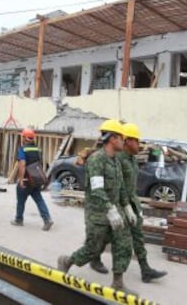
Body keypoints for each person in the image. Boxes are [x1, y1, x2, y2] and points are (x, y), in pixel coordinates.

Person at [57, 119, 138, 293]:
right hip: (98, 214)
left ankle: (118, 283)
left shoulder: (115, 160)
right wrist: (109, 209)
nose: (124, 142)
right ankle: (67, 261)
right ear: (113, 139)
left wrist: (126, 207)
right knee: (93, 249)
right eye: (121, 138)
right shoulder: (96, 160)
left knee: (123, 243)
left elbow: (121, 186)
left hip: (116, 211)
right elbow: (97, 189)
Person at [91, 123, 168, 282]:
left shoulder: (132, 159)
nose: (139, 145)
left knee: (138, 237)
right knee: (107, 237)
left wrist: (133, 206)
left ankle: (145, 270)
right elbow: (114, 186)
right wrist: (118, 208)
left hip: (130, 204)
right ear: (128, 141)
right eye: (137, 141)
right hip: (117, 205)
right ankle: (93, 258)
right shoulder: (117, 159)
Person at [11, 128, 54, 231]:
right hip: (35, 179)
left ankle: (18, 219)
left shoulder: (23, 149)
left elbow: (22, 164)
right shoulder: (37, 149)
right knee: (39, 199)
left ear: (24, 138)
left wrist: (21, 179)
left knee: (21, 200)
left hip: (26, 179)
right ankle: (47, 219)